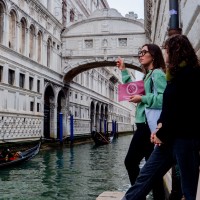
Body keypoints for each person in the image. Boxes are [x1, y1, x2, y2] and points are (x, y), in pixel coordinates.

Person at [121, 34, 200, 200]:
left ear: (176, 51)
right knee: (146, 176)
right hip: (166, 136)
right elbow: (166, 106)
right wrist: (159, 126)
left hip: (183, 138)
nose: (166, 56)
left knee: (187, 187)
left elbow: (179, 109)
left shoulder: (188, 76)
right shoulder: (172, 76)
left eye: (167, 51)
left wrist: (160, 131)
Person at [117, 43, 167, 200]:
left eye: (144, 52)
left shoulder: (157, 74)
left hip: (147, 126)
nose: (140, 55)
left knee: (130, 162)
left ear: (153, 55)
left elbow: (165, 98)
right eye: (140, 52)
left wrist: (143, 98)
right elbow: (132, 90)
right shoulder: (148, 75)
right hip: (146, 126)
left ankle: (138, 196)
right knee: (152, 169)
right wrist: (124, 70)